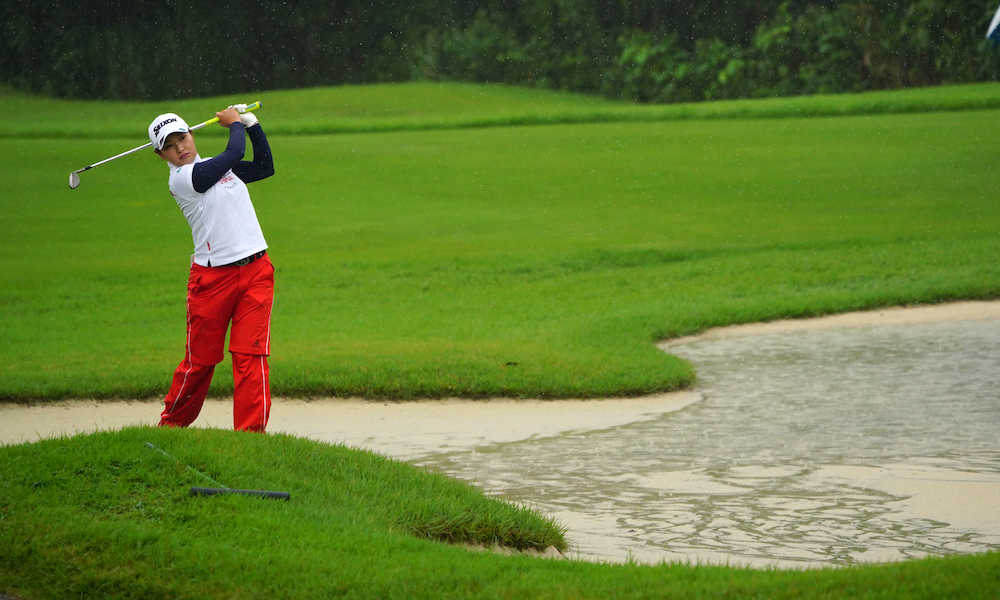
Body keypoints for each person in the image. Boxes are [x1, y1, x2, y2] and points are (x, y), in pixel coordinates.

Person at [148, 105, 275, 432]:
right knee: (200, 363)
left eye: (183, 137)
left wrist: (252, 125)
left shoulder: (214, 167)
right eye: (170, 145)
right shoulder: (184, 179)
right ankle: (171, 427)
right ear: (161, 155)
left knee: (251, 358)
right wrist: (234, 125)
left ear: (191, 134)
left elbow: (264, 167)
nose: (180, 148)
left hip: (256, 272)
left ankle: (251, 438)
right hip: (212, 281)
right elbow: (233, 152)